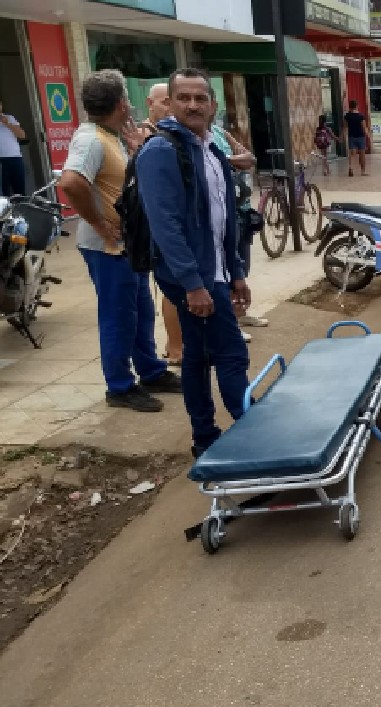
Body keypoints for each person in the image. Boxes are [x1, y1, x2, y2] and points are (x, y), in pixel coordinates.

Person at [135, 67, 250, 458]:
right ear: (169, 103)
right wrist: (193, 284)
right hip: (192, 277)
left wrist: (236, 272)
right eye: (183, 97)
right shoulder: (161, 151)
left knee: (198, 357)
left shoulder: (212, 149)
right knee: (232, 353)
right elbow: (165, 225)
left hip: (214, 270)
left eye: (200, 98)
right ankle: (257, 434)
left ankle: (204, 438)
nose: (193, 105)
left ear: (212, 104)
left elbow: (223, 219)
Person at [58, 69, 182, 413]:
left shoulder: (109, 134)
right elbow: (71, 182)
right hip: (107, 249)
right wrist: (98, 223)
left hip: (128, 247)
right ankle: (120, 386)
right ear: (120, 103)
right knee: (118, 316)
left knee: (140, 311)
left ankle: (151, 371)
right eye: (126, 97)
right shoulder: (91, 139)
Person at [208, 96, 265, 337]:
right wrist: (230, 161)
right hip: (221, 212)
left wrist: (224, 160)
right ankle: (230, 322)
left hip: (240, 211)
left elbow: (249, 158)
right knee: (226, 270)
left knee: (242, 265)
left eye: (208, 102)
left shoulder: (219, 133)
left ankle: (241, 313)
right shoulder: (195, 140)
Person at [137, 82, 185, 367]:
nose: (169, 107)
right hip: (159, 226)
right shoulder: (148, 136)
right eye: (164, 101)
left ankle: (178, 343)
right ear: (150, 103)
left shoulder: (174, 134)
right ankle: (175, 347)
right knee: (172, 288)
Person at [0, 97, 27, 197]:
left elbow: (22, 135)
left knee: (20, 191)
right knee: (4, 192)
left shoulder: (10, 118)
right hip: (1, 160)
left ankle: (21, 211)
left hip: (16, 158)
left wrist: (7, 124)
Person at [343, 99, 371, 177]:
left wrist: (342, 137)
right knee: (362, 154)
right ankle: (363, 171)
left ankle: (351, 167)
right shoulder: (361, 116)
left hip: (351, 136)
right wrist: (368, 136)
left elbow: (345, 128)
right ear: (357, 106)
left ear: (350, 107)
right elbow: (364, 127)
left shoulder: (347, 116)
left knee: (352, 153)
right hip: (361, 137)